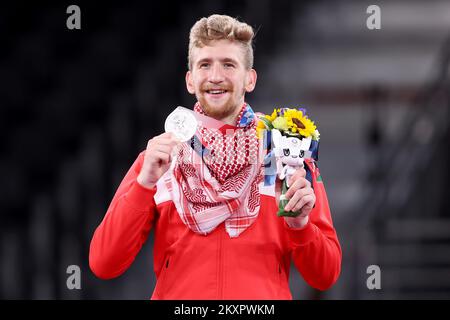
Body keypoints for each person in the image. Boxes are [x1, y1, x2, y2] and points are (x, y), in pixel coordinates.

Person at [89, 14, 341, 300]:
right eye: (204, 65)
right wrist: (144, 185)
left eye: (229, 65)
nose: (216, 77)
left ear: (250, 79)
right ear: (190, 80)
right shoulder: (160, 160)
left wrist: (301, 227)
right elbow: (103, 263)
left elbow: (325, 275)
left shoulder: (285, 155)